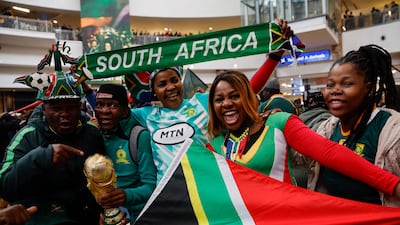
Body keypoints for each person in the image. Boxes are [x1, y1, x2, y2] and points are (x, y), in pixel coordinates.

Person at [128, 20, 295, 183]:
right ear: (154, 91)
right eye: (162, 84)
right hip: (167, 197)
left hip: (206, 191)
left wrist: (275, 55)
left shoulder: (201, 102)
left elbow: (246, 90)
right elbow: (113, 113)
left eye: (174, 80)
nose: (170, 87)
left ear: (181, 80)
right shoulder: (145, 115)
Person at [206, 70, 400, 201]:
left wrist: (393, 185)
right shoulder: (213, 141)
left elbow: (329, 153)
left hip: (285, 217)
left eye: (234, 96)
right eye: (219, 99)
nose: (226, 104)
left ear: (248, 97)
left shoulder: (279, 123)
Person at [0, 71, 106, 224]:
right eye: (56, 108)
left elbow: (99, 178)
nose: (65, 114)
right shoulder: (28, 136)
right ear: (44, 109)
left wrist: (101, 210)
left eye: (71, 107)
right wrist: (40, 157)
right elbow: (5, 188)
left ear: (80, 106)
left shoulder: (92, 132)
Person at [308, 44, 400, 207]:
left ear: (369, 88)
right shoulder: (327, 129)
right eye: (330, 85)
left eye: (347, 84)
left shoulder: (393, 131)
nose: (335, 90)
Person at [93, 84, 157, 222]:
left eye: (113, 105)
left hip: (137, 217)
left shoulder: (139, 137)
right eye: (99, 105)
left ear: (124, 111)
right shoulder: (92, 135)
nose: (105, 111)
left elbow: (151, 186)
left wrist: (126, 195)